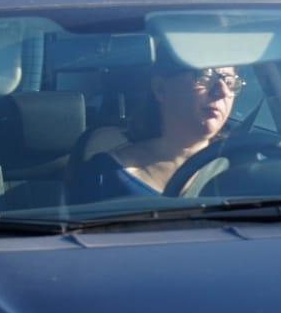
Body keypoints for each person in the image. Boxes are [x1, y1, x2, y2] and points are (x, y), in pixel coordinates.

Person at [69, 53, 243, 203]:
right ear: (160, 88)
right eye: (205, 77)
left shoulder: (243, 167)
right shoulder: (104, 175)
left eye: (229, 82)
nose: (222, 92)